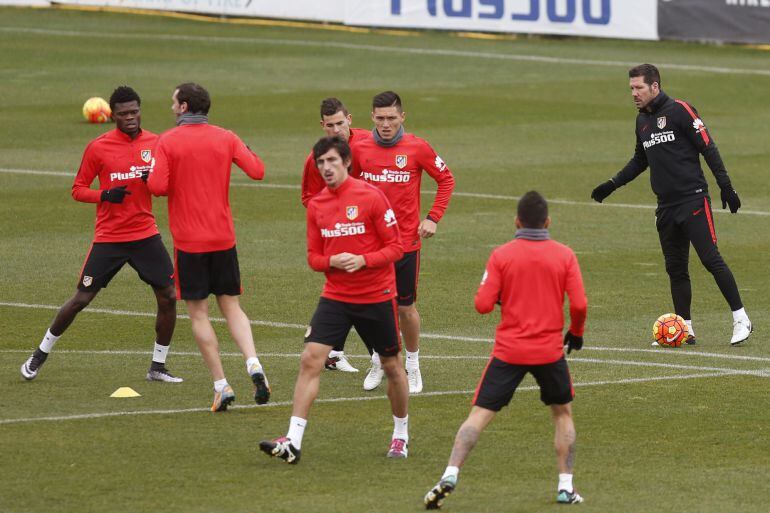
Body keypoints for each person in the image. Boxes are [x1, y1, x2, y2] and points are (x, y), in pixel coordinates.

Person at [424, 191, 588, 509]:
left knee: (479, 415)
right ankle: (566, 487)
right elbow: (579, 304)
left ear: (516, 222)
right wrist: (576, 332)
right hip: (549, 352)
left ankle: (450, 474)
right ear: (547, 222)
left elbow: (482, 305)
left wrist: (502, 294)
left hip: (509, 352)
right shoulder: (564, 255)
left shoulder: (501, 255)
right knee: (562, 414)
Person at [259, 136, 409, 463]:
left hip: (376, 296)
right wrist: (333, 262)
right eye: (321, 163)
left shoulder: (371, 197)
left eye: (332, 161)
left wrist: (364, 260)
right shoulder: (317, 205)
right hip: (336, 296)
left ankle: (400, 434)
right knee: (310, 359)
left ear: (347, 163)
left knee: (392, 367)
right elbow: (313, 257)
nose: (326, 168)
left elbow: (397, 247)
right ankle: (293, 441)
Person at [20, 86, 181, 383]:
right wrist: (105, 195)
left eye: (134, 112)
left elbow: (169, 187)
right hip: (110, 238)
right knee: (81, 298)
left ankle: (158, 367)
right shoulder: (98, 147)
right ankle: (39, 354)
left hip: (146, 235)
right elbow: (78, 189)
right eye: (123, 114)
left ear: (140, 110)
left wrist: (154, 181)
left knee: (169, 297)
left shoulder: (156, 143)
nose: (130, 118)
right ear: (113, 116)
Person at [591, 64, 752, 346]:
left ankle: (741, 318)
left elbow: (707, 146)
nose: (634, 93)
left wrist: (726, 186)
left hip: (693, 199)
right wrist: (612, 184)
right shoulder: (641, 121)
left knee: (710, 258)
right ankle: (684, 328)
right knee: (675, 268)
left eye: (639, 87)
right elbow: (640, 160)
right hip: (665, 206)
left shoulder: (680, 110)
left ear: (655, 86)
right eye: (631, 88)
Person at [148, 82, 270, 411]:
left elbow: (156, 187)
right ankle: (254, 364)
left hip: (190, 243)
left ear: (185, 106)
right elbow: (257, 170)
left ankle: (222, 385)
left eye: (174, 101)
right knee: (232, 307)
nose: (171, 105)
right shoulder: (225, 137)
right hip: (223, 238)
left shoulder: (167, 141)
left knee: (199, 315)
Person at [351, 91, 455, 394]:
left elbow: (446, 179)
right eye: (380, 118)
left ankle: (412, 364)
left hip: (405, 243)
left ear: (402, 118)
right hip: (368, 245)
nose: (386, 124)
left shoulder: (417, 147)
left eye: (391, 118)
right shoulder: (359, 148)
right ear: (372, 117)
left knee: (405, 307)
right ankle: (378, 359)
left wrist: (433, 217)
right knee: (370, 306)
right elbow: (350, 187)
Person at [300, 97, 372, 373]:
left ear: (349, 120)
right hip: (339, 231)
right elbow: (308, 196)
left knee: (354, 287)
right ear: (323, 126)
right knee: (351, 287)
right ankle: (377, 354)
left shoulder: (367, 141)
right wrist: (331, 215)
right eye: (330, 125)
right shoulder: (316, 159)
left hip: (369, 229)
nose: (336, 130)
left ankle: (334, 350)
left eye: (340, 123)